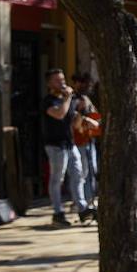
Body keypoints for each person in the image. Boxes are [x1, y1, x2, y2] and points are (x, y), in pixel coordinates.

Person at [42, 68, 91, 227]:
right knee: (57, 179)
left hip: (70, 144)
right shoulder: (48, 101)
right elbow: (59, 114)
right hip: (55, 146)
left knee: (78, 176)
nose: (62, 83)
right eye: (57, 80)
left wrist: (82, 116)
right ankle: (58, 213)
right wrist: (68, 98)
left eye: (62, 79)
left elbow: (73, 122)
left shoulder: (68, 101)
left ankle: (82, 209)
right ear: (49, 83)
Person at [71, 72, 100, 210]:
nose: (84, 86)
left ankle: (89, 199)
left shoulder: (86, 98)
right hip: (79, 139)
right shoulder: (71, 99)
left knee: (91, 169)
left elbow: (94, 114)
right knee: (82, 172)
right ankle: (81, 200)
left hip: (89, 138)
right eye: (81, 82)